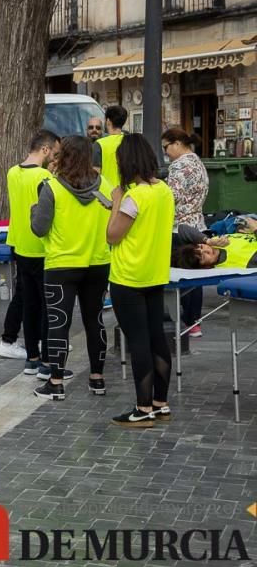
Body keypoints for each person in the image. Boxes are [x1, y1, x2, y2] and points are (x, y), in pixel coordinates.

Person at [30, 136, 113, 401]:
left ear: (62, 156)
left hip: (61, 265)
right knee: (95, 320)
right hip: (97, 262)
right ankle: (97, 379)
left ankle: (56, 382)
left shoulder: (52, 188)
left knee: (59, 324)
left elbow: (39, 228)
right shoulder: (106, 187)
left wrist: (35, 210)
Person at [106, 132, 175, 428]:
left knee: (138, 342)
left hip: (129, 277)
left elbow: (113, 234)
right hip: (155, 273)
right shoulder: (163, 190)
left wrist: (116, 201)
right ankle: (160, 403)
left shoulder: (133, 197)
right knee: (157, 337)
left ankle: (142, 408)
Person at [4, 130, 61, 373]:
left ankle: (32, 357)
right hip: (40, 246)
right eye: (54, 153)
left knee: (29, 303)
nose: (54, 158)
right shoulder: (43, 176)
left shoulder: (12, 171)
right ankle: (47, 361)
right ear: (45, 149)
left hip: (19, 243)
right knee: (47, 305)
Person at [162, 127, 208, 338]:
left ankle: (183, 321)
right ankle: (194, 321)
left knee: (181, 274)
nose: (165, 153)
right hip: (197, 224)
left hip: (179, 227)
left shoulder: (179, 166)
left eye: (166, 147)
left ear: (177, 143)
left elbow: (171, 197)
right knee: (194, 274)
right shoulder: (197, 162)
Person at [172, 228, 257, 270]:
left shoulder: (215, 241)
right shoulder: (235, 264)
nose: (206, 250)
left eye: (201, 246)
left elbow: (182, 228)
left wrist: (208, 241)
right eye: (203, 256)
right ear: (205, 267)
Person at [95, 104, 128, 187]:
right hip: (130, 194)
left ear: (108, 121)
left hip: (107, 195)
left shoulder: (99, 144)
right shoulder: (131, 142)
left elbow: (95, 176)